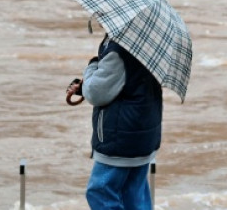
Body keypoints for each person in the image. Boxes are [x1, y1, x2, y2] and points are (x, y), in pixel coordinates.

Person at [66, 32, 163, 210]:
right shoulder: (149, 39)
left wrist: (92, 66)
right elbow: (130, 82)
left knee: (100, 192)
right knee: (133, 195)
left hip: (120, 138)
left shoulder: (118, 48)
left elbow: (95, 93)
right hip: (144, 132)